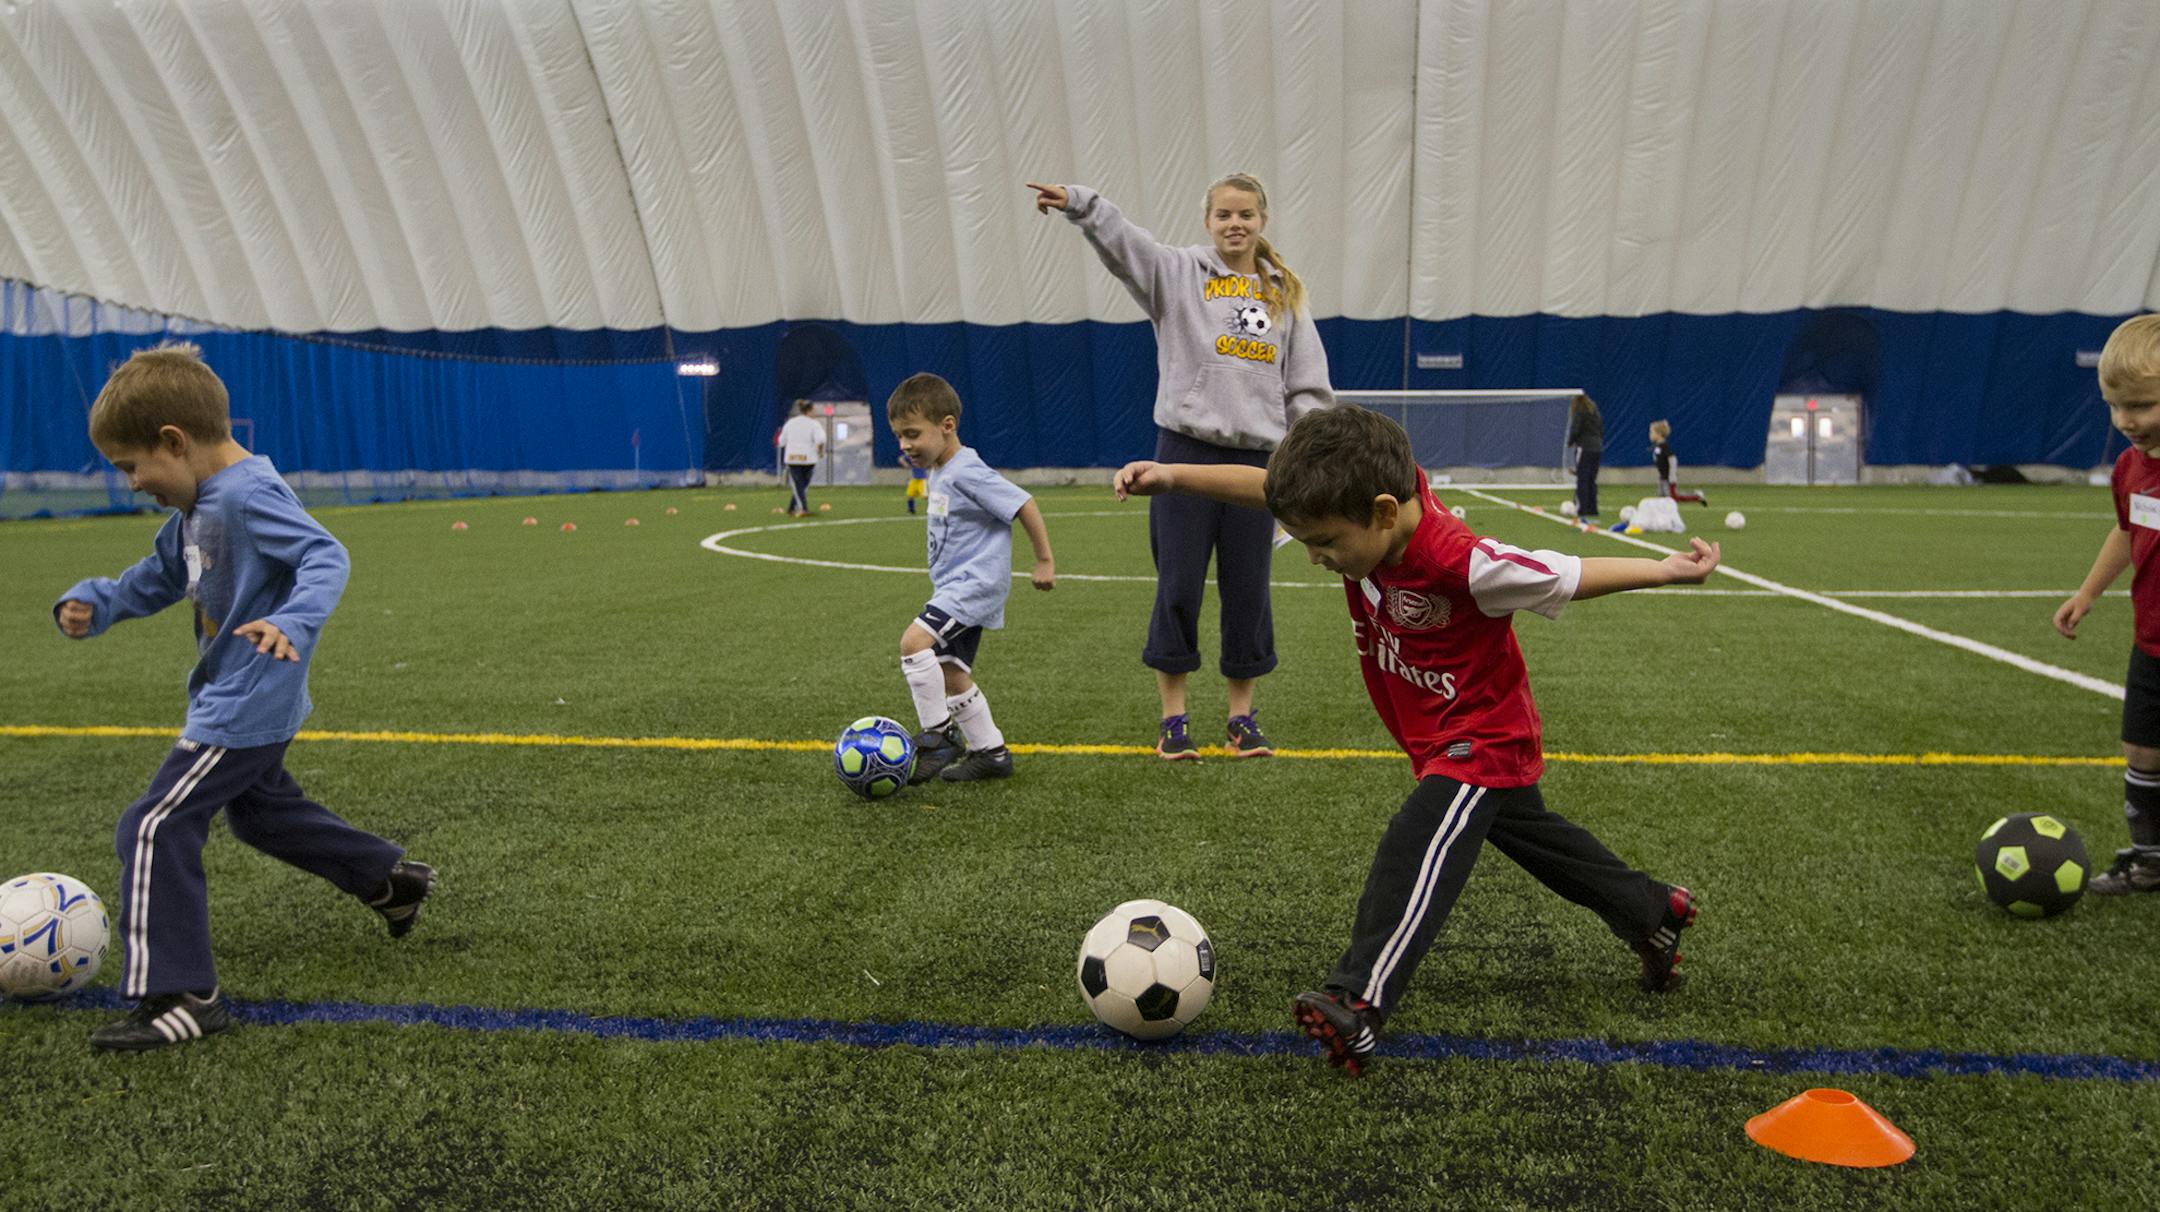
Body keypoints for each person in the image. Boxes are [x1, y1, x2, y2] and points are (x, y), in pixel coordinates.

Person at [1114, 406, 1719, 1076]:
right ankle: (1653, 910)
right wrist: (1173, 476)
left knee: (1416, 841)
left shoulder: (1464, 563)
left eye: (1324, 542)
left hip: (1481, 734)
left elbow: (1565, 574)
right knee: (1535, 838)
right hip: (1433, 733)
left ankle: (1359, 1001)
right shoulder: (1358, 508)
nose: (1315, 557)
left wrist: (1666, 571)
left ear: (1380, 513)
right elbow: (1266, 489)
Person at [51, 343, 433, 1052]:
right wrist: (94, 603)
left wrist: (291, 621)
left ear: (175, 441)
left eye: (133, 466)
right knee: (261, 817)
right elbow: (159, 576)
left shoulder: (248, 495)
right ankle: (389, 880)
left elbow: (326, 555)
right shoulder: (200, 506)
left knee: (154, 825)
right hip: (243, 698)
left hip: (245, 700)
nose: (133, 483)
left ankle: (182, 995)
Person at [1029, 173, 1334, 760]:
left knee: (1249, 591)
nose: (1234, 224)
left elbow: (1306, 388)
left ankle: (1242, 721)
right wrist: (1082, 205)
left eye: (1245, 214)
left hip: (1258, 464)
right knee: (1178, 587)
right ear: (1208, 221)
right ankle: (1174, 721)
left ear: (1262, 220)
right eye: (1223, 214)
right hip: (1184, 452)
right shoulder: (1177, 275)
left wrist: (1311, 458)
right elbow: (1125, 246)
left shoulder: (1284, 296)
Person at [888, 372, 1056, 782]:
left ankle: (939, 735)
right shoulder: (941, 468)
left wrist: (1044, 560)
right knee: (949, 670)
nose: (906, 444)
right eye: (899, 437)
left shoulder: (966, 470)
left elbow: (1023, 504)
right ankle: (991, 753)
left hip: (974, 585)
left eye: (913, 434)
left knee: (914, 642)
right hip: (954, 586)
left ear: (947, 426)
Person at [2054, 313, 2160, 893]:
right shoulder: (2129, 469)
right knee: (2140, 748)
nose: (2127, 421)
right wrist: (2088, 592)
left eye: (2142, 405)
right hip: (2152, 639)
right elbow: (2127, 530)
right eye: (2116, 407)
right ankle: (2149, 859)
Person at [779, 399, 826, 517]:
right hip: (808, 459)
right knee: (803, 485)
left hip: (792, 458)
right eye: (814, 410)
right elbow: (820, 440)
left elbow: (781, 441)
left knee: (798, 484)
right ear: (809, 410)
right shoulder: (814, 424)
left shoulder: (790, 423)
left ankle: (792, 507)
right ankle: (802, 508)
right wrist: (820, 452)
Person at [1649, 419, 1708, 506]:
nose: (1650, 434)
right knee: (1661, 500)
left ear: (1659, 434)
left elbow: (1673, 460)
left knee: (1673, 498)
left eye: (1652, 432)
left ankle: (1697, 496)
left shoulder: (1664, 447)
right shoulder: (1657, 447)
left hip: (1668, 479)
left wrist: (1672, 476)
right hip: (1662, 478)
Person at [1566, 394, 1603, 521]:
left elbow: (1576, 429)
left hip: (1585, 447)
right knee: (1591, 479)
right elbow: (1600, 430)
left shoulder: (1579, 412)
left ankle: (1581, 508)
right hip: (1597, 448)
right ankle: (1592, 509)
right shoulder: (1595, 413)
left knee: (1582, 479)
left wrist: (1570, 442)